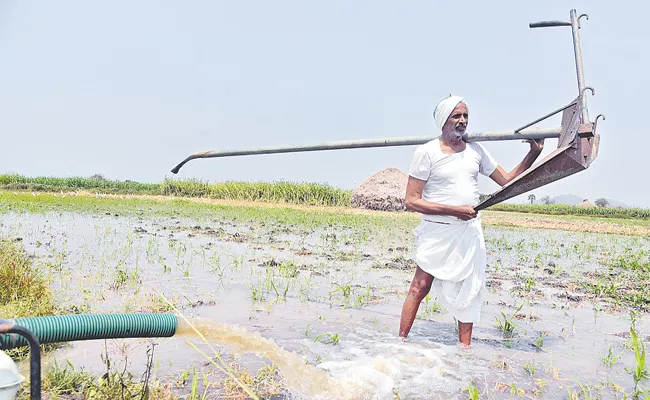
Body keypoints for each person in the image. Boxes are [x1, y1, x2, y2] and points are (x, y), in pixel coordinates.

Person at [398, 95, 544, 345]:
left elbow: (507, 180)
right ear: (444, 120)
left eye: (465, 116)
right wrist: (453, 210)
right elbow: (412, 200)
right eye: (456, 116)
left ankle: (465, 352)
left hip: (468, 231)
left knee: (469, 290)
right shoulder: (427, 152)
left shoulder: (476, 150)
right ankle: (400, 342)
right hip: (438, 230)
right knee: (420, 286)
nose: (462, 121)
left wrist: (534, 152)